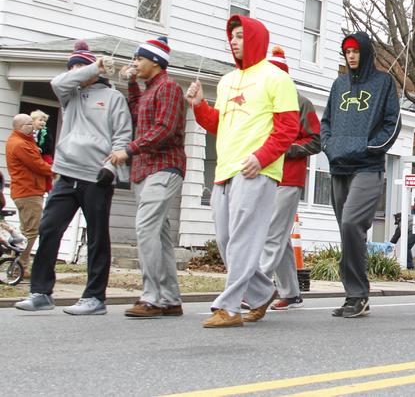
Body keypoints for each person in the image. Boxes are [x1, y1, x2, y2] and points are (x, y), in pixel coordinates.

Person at [186, 17, 300, 328]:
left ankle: (230, 308)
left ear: (254, 38)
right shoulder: (226, 81)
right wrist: (198, 106)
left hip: (256, 172)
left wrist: (262, 158)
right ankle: (262, 293)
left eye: (240, 36)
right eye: (231, 37)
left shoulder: (277, 78)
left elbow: (288, 128)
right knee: (225, 241)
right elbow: (218, 124)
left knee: (242, 243)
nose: (234, 42)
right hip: (224, 171)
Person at [16, 43, 131, 315]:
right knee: (49, 228)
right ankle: (41, 292)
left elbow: (123, 136)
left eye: (80, 66)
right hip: (67, 174)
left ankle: (95, 298)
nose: (74, 72)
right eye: (72, 67)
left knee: (97, 237)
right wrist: (90, 67)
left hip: (97, 176)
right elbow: (58, 82)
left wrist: (112, 170)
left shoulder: (114, 99)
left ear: (94, 71)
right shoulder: (70, 95)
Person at [320, 32, 401, 318]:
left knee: (352, 222)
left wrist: (369, 147)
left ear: (365, 53)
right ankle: (353, 295)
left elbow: (392, 123)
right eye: (347, 52)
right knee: (346, 230)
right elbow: (326, 122)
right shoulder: (338, 84)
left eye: (355, 51)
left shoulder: (383, 83)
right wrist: (328, 146)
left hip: (368, 166)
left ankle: (357, 293)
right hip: (339, 165)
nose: (351, 56)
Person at [110, 36, 188, 319]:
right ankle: (170, 299)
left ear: (155, 61)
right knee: (160, 235)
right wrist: (131, 82)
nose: (135, 63)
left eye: (139, 59)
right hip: (146, 170)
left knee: (145, 228)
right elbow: (137, 112)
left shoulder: (168, 87)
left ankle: (151, 297)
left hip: (164, 168)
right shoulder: (150, 90)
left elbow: (165, 128)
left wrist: (128, 150)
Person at [257, 46, 322, 311]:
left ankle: (254, 287)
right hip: (261, 175)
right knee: (279, 237)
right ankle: (291, 293)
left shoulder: (301, 102)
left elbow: (316, 141)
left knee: (271, 234)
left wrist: (287, 150)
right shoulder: (261, 102)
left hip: (289, 178)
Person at [5, 114, 54, 278]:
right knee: (31, 232)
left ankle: (15, 265)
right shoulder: (20, 144)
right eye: (28, 124)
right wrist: (56, 170)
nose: (32, 126)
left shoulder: (24, 141)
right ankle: (20, 267)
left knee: (25, 230)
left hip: (27, 190)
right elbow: (38, 165)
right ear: (19, 126)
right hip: (28, 191)